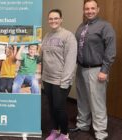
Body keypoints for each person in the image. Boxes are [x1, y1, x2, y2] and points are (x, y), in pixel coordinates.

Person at [70, 0, 116, 140]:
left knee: (97, 102)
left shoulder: (105, 26)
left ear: (98, 9)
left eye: (92, 8)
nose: (89, 11)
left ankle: (101, 132)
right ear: (84, 10)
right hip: (81, 68)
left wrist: (105, 70)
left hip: (97, 70)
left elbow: (111, 50)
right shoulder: (82, 26)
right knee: (82, 99)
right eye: (87, 8)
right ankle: (83, 124)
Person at [41, 9, 77, 140]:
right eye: (50, 18)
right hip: (47, 78)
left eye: (56, 18)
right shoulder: (47, 35)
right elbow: (42, 55)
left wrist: (65, 81)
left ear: (61, 19)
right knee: (51, 107)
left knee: (59, 107)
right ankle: (55, 130)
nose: (53, 21)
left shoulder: (68, 36)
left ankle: (64, 133)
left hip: (60, 79)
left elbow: (71, 61)